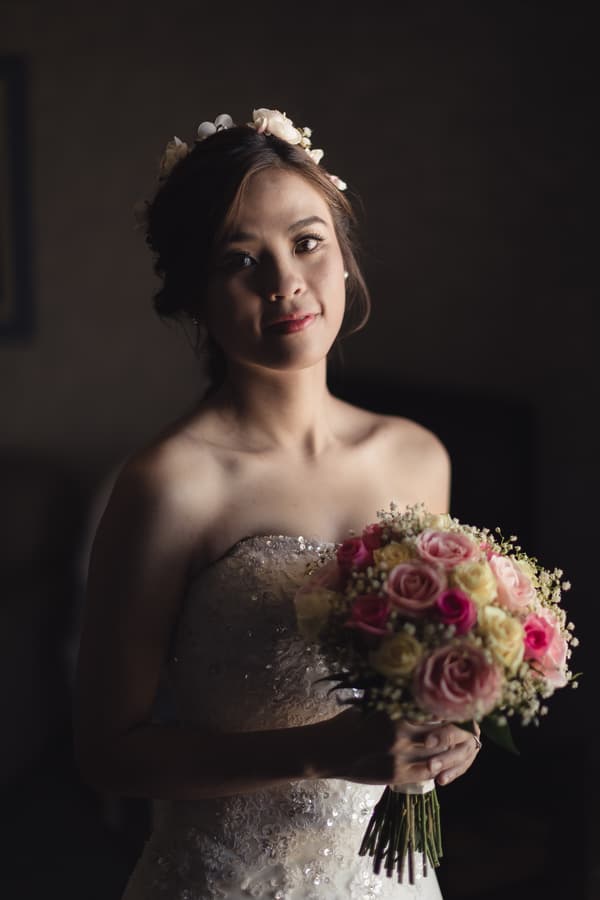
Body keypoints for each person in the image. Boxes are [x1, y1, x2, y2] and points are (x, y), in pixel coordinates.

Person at [74, 107, 481, 900]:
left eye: (306, 243)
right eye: (240, 259)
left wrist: (448, 735)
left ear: (344, 254)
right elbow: (107, 754)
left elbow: (425, 674)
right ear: (194, 293)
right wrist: (319, 753)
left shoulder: (417, 456)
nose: (284, 282)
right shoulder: (171, 483)